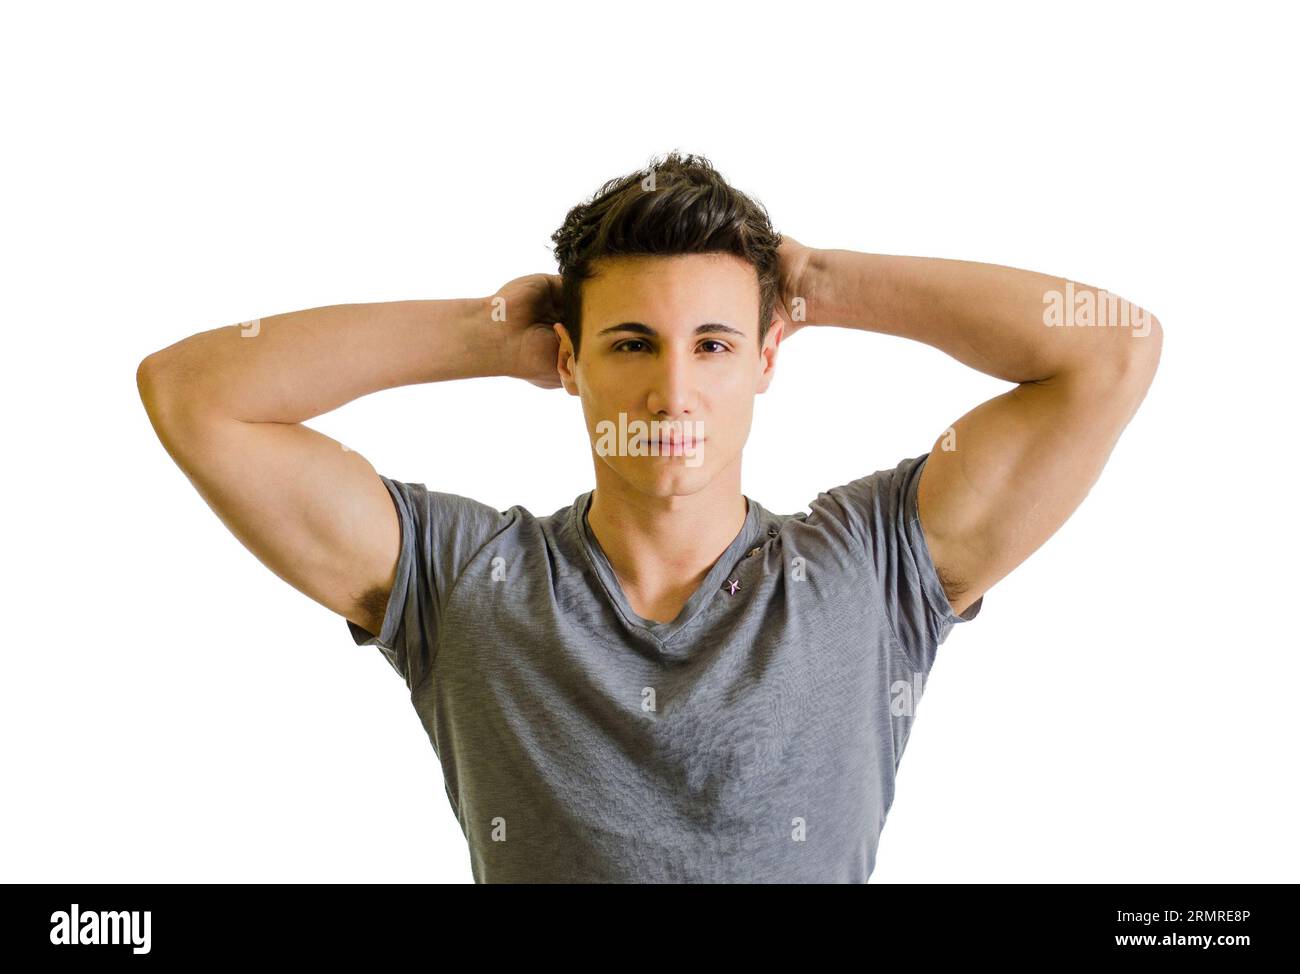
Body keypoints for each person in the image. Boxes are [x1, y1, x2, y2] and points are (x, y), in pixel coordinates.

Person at [136, 151, 1162, 882]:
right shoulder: (467, 582)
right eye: (630, 344)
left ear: (767, 359)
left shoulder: (870, 570)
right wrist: (488, 331)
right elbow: (193, 393)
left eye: (713, 344)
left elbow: (1110, 349)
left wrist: (814, 283)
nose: (672, 393)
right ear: (570, 361)